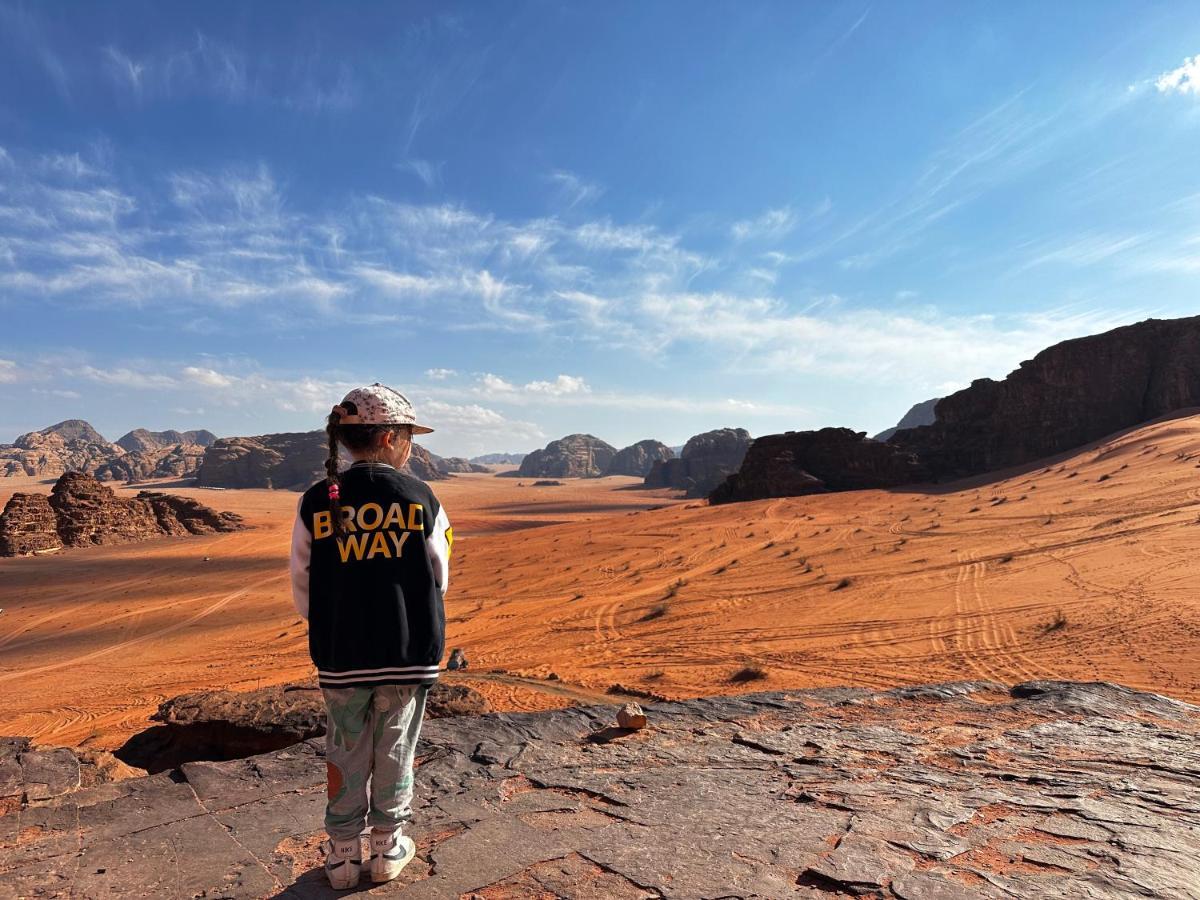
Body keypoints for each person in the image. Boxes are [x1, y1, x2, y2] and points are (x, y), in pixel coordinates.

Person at [289, 383, 451, 888]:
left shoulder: (316, 500)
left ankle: (341, 855)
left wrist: (335, 622)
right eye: (407, 436)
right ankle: (386, 846)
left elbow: (302, 581)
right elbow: (439, 573)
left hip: (342, 653)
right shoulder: (420, 496)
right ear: (388, 438)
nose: (409, 445)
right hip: (406, 651)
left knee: (345, 747)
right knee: (397, 744)